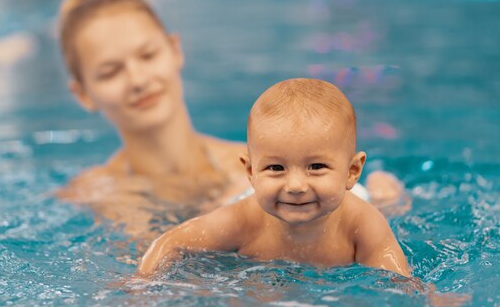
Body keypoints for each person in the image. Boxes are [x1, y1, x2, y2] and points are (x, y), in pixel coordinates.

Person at [56, 0, 409, 239]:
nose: (137, 79)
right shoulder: (96, 193)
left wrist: (388, 206)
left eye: (148, 56)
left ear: (174, 50)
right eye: (110, 72)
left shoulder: (272, 164)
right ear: (83, 93)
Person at [138, 78, 410, 277]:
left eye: (315, 166)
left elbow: (401, 283)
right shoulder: (240, 221)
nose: (295, 186)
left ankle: (381, 182)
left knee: (388, 203)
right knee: (215, 204)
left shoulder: (361, 223)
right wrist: (141, 285)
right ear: (251, 172)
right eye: (276, 168)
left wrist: (427, 298)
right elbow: (171, 242)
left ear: (352, 171)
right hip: (253, 198)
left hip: (350, 196)